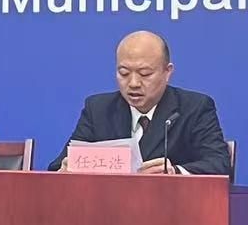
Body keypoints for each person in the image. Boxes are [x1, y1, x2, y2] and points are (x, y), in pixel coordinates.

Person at [48, 30, 231, 176]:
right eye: (124, 73)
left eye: (145, 74)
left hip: (171, 207)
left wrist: (175, 172)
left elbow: (219, 165)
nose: (133, 83)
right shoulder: (98, 109)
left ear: (167, 72)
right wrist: (65, 170)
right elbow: (57, 166)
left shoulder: (194, 108)